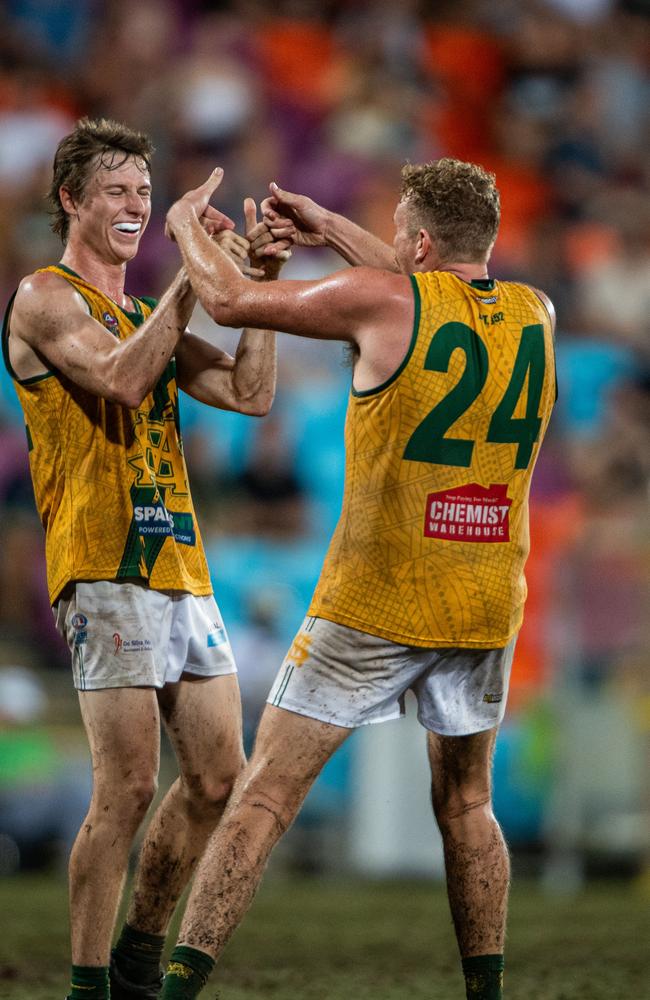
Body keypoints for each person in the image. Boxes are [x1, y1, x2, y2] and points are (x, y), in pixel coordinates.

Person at [160, 157, 557, 1000]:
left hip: (377, 597)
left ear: (416, 241)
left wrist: (186, 227)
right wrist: (331, 226)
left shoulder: (387, 301)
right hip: (486, 599)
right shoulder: (537, 313)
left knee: (263, 797)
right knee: (467, 805)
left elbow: (231, 302)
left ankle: (179, 985)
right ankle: (485, 990)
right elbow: (420, 290)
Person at [1, 117, 288, 1000]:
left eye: (143, 192)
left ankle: (138, 952)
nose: (136, 204)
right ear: (72, 200)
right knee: (126, 788)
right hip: (102, 565)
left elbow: (251, 392)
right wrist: (195, 267)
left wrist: (258, 281)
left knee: (215, 778)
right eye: (117, 191)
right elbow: (124, 379)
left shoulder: (140, 311)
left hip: (180, 567)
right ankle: (91, 986)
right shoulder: (44, 298)